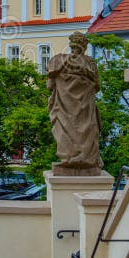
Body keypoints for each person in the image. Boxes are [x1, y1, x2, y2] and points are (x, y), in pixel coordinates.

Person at [46, 32, 104, 176]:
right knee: (89, 129)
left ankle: (68, 158)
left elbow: (49, 86)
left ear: (71, 45)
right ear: (84, 47)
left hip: (64, 109)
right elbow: (97, 86)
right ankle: (87, 159)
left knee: (64, 131)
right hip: (86, 108)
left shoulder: (58, 61)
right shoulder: (90, 63)